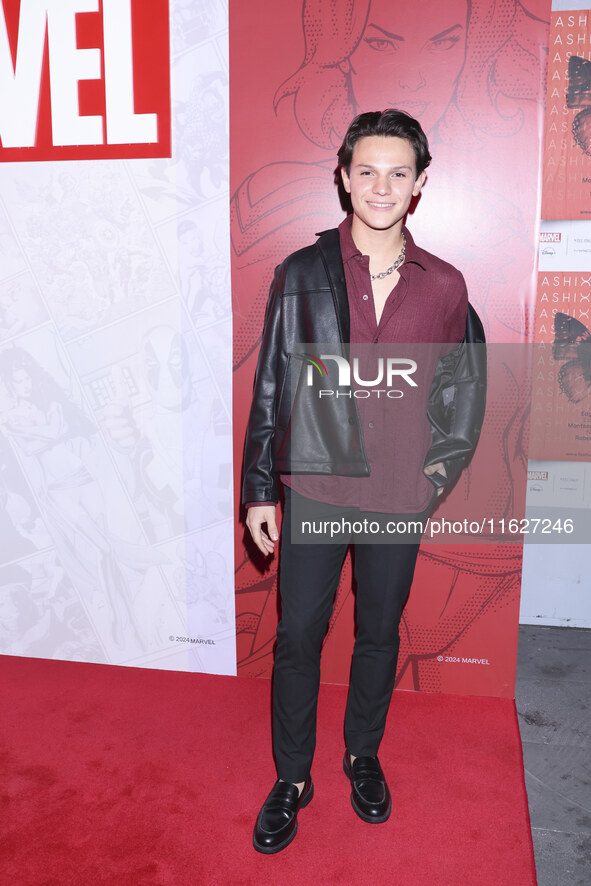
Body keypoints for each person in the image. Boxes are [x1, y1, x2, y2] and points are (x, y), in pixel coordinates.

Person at [242, 109, 485, 854]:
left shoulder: (443, 284)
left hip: (395, 497)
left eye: (398, 172)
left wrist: (434, 474)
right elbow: (272, 385)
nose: (381, 186)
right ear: (344, 176)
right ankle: (291, 777)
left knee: (377, 635)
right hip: (315, 483)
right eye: (367, 170)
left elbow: (462, 389)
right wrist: (259, 488)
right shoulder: (301, 272)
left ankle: (361, 757)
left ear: (419, 185)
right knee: (298, 637)